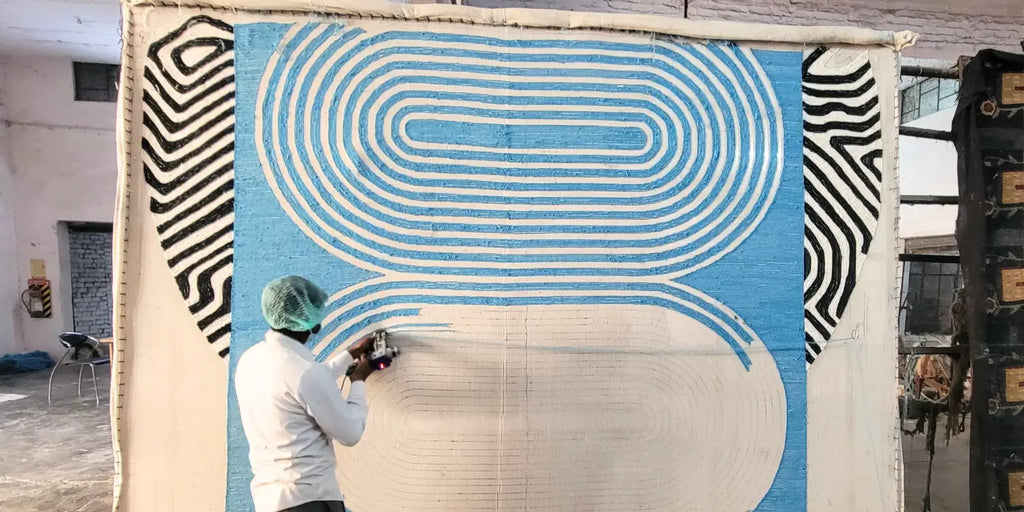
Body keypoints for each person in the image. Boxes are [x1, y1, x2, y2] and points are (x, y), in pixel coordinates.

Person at [235, 275, 383, 512]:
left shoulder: (251, 360)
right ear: (313, 324)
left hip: (270, 500)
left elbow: (298, 385)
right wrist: (358, 380)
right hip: (310, 500)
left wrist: (348, 356)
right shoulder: (305, 374)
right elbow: (350, 432)